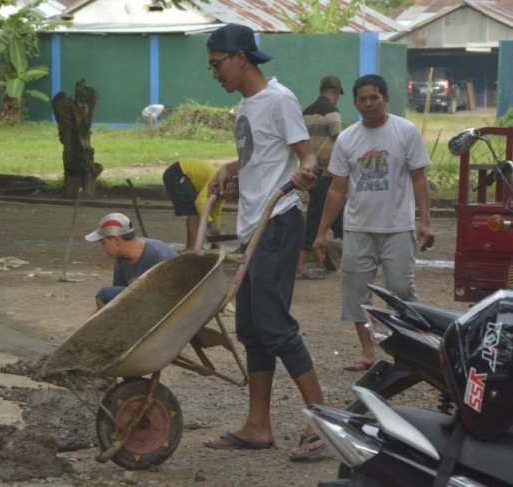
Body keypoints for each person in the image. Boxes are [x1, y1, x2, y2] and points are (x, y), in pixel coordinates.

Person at [201, 23, 328, 461]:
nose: (215, 73)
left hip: (278, 220)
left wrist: (306, 172)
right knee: (252, 330)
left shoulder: (280, 99)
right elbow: (258, 156)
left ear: (240, 57)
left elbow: (305, 152)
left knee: (274, 325)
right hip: (254, 224)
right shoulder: (245, 107)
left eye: (217, 65)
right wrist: (229, 170)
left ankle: (324, 423)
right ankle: (258, 426)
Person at [313, 74, 435, 372]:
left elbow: (419, 179)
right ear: (354, 102)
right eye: (362, 99)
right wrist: (321, 232)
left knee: (401, 290)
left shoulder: (405, 131)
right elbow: (337, 189)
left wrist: (425, 222)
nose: (368, 104)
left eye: (374, 98)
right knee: (355, 293)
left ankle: (410, 349)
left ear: (386, 99)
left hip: (397, 226)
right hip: (358, 228)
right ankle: (368, 352)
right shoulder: (347, 138)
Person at [296, 75, 345, 280]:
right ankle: (299, 267)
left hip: (309, 173)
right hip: (326, 173)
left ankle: (330, 260)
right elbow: (341, 142)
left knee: (338, 217)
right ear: (336, 92)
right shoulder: (332, 112)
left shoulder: (306, 112)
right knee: (317, 218)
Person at [85, 212, 177, 308]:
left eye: (103, 242)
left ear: (117, 240)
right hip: (148, 304)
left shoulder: (158, 255)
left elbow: (168, 296)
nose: (103, 247)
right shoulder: (121, 259)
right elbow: (118, 300)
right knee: (108, 297)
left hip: (169, 305)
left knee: (104, 294)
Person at [163, 159, 225, 250]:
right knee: (195, 210)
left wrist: (215, 238)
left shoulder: (223, 191)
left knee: (198, 211)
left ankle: (195, 246)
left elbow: (215, 211)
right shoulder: (217, 182)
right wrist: (210, 225)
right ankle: (192, 248)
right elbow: (200, 202)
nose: (231, 197)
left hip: (183, 174)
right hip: (177, 173)